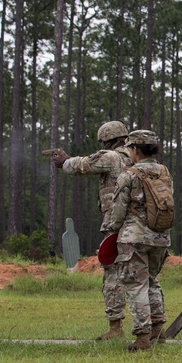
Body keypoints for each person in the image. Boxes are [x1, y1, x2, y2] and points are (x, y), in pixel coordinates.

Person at [52, 121, 132, 340]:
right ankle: (155, 328)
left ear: (109, 140)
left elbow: (86, 164)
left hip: (117, 224)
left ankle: (115, 328)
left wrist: (64, 162)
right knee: (143, 275)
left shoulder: (113, 157)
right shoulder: (136, 157)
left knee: (112, 273)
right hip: (139, 225)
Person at [102, 130, 171, 352]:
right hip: (160, 237)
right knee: (151, 281)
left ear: (135, 150)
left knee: (136, 285)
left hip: (134, 239)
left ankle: (143, 338)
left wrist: (111, 231)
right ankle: (159, 331)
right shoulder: (164, 172)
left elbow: (118, 211)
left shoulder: (128, 174)